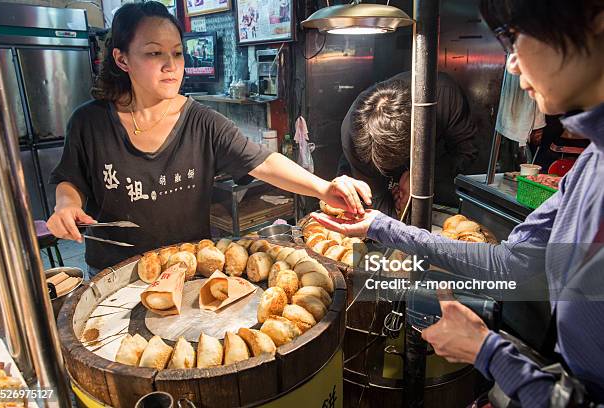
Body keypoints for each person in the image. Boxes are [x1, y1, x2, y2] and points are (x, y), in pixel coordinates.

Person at [312, 0, 604, 406]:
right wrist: (381, 226)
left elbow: (470, 156)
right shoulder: (591, 164)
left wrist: (488, 352)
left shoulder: (443, 101)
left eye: (513, 37)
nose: (512, 65)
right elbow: (513, 263)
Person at [46, 2, 371, 279]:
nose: (171, 65)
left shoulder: (200, 121)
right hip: (113, 275)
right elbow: (70, 178)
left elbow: (264, 161)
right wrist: (67, 204)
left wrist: (323, 188)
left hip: (188, 269)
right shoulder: (90, 122)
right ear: (122, 59)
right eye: (154, 53)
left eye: (177, 53)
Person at [337, 71, 478, 214]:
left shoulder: (443, 94)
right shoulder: (352, 134)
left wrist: (421, 178)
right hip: (374, 178)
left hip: (436, 169)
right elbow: (376, 198)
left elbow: (467, 154)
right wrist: (396, 216)